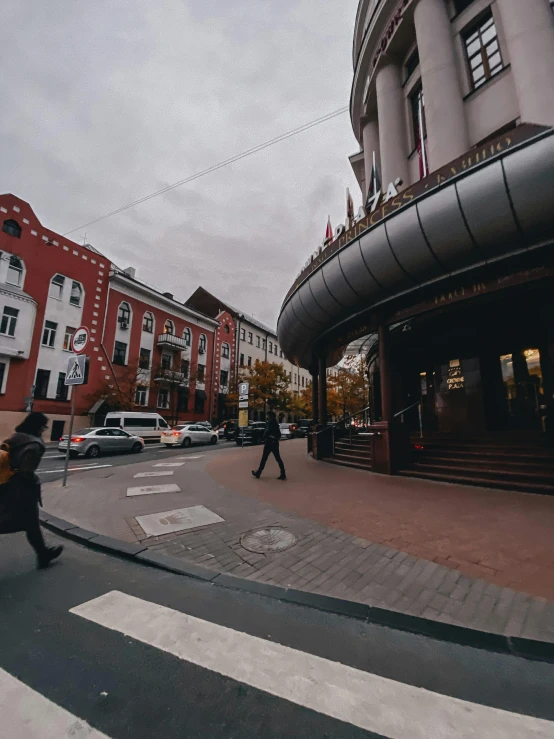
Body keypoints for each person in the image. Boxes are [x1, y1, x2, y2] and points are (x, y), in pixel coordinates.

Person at [0, 412, 63, 568]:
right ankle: (43, 554)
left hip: (4, 483)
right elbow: (26, 471)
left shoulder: (16, 437)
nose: (44, 429)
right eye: (43, 426)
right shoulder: (34, 445)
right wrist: (33, 481)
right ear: (37, 426)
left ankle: (43, 554)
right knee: (26, 521)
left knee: (31, 523)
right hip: (20, 490)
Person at [252, 410, 286, 480]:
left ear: (270, 416)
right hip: (274, 442)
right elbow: (278, 434)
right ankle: (283, 473)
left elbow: (267, 432)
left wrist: (262, 438)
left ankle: (258, 472)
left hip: (269, 442)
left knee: (264, 458)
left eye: (268, 415)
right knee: (277, 458)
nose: (267, 416)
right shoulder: (275, 423)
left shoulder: (270, 423)